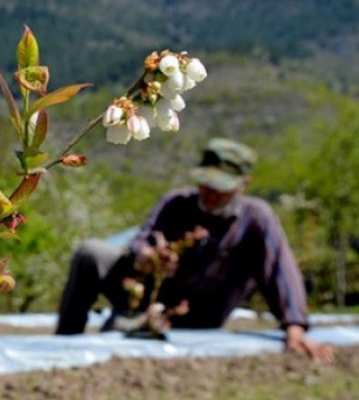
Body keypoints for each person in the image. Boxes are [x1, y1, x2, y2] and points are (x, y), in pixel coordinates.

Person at [56, 137, 334, 363]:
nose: (210, 193)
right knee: (90, 253)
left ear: (243, 184)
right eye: (206, 184)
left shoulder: (256, 219)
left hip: (200, 314)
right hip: (150, 299)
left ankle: (136, 325)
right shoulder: (176, 203)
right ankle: (63, 345)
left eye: (220, 188)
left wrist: (294, 329)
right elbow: (142, 240)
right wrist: (146, 257)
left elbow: (279, 272)